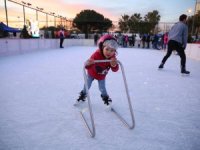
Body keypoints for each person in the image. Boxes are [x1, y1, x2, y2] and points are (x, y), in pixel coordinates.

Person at [76, 34, 119, 106]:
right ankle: (83, 95)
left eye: (112, 50)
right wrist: (89, 63)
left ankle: (106, 98)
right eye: (107, 49)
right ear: (102, 47)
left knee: (102, 88)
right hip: (91, 73)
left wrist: (114, 65)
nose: (109, 52)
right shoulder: (96, 55)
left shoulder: (112, 58)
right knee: (87, 85)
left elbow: (115, 69)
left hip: (101, 76)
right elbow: (87, 66)